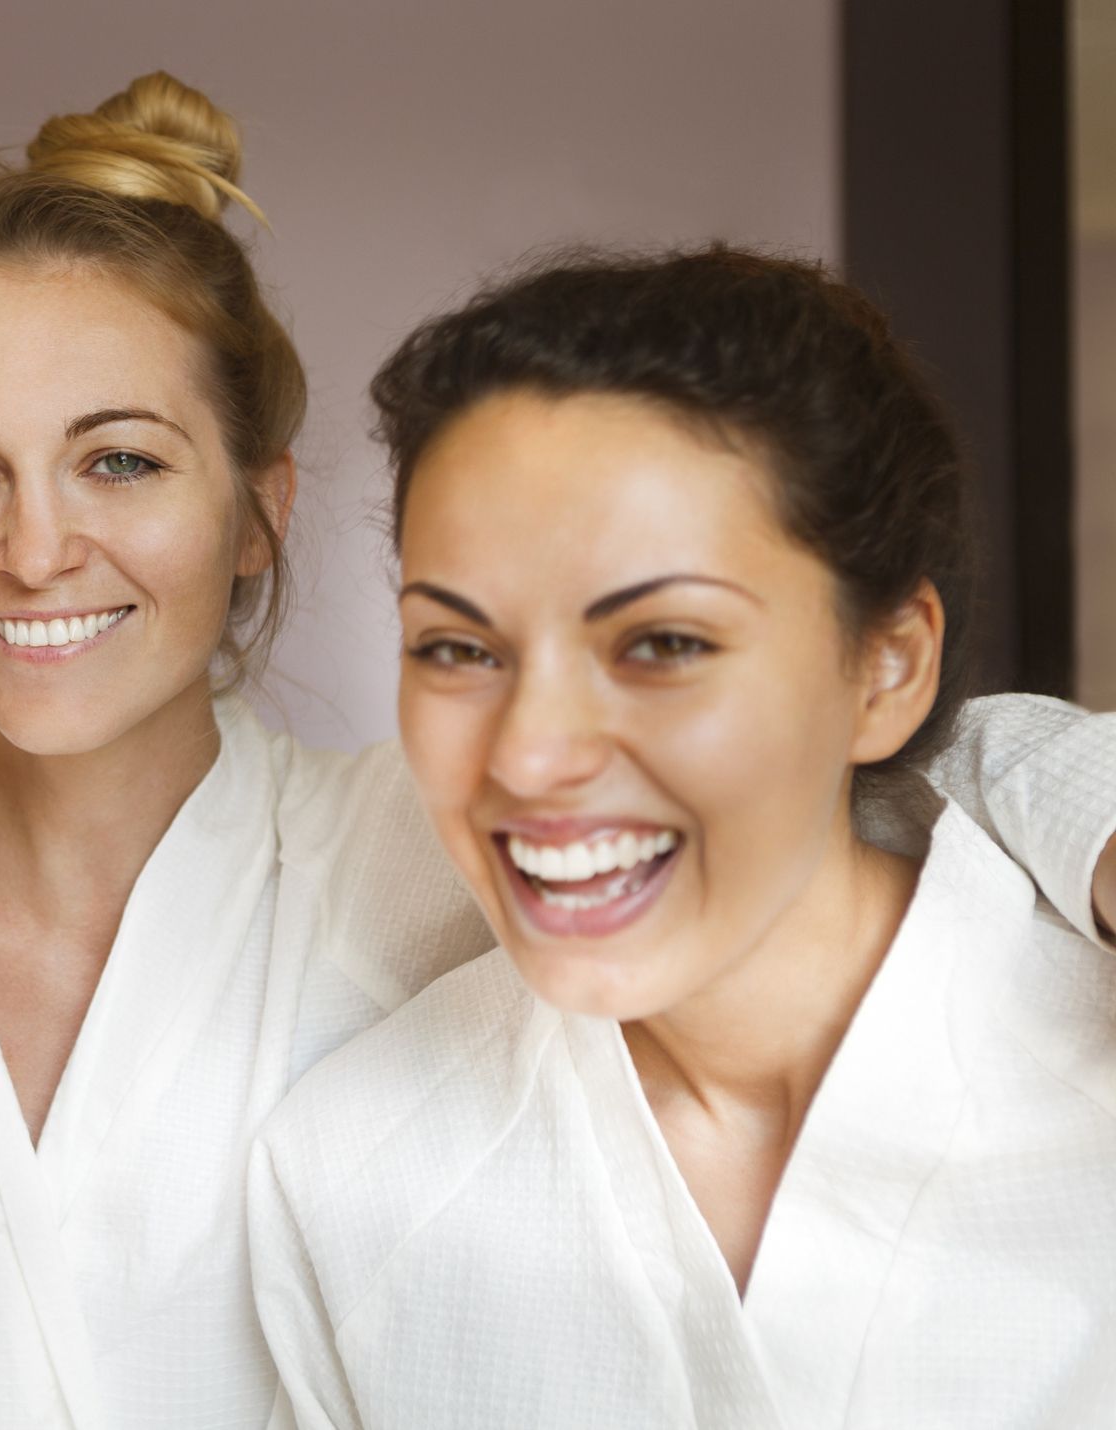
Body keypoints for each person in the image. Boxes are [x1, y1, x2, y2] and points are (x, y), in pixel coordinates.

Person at [0, 78, 1116, 1428]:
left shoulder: (411, 854)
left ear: (263, 505)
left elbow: (845, 773)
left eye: (121, 458)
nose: (34, 545)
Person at [248, 247, 1116, 1428]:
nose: (526, 755)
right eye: (457, 647)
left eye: (661, 643)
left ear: (888, 663)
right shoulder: (350, 1172)